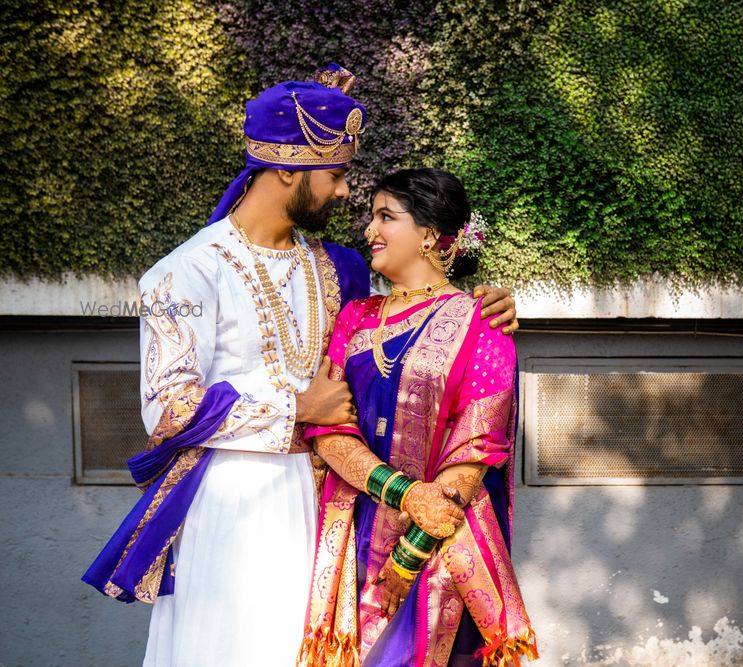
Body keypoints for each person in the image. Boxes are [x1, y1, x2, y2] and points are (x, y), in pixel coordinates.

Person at [82, 65, 517, 667]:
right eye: (336, 176)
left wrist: (484, 306)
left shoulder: (339, 266)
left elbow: (413, 325)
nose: (344, 194)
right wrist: (297, 409)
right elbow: (167, 408)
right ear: (288, 168)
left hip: (333, 507)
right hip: (237, 500)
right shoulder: (185, 273)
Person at [297, 168, 538, 667]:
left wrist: (409, 555)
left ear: (429, 234)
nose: (370, 231)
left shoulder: (483, 322)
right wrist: (400, 491)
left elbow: (478, 446)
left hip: (443, 542)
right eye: (371, 217)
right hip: (355, 527)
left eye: (386, 216)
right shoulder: (355, 317)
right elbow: (329, 425)